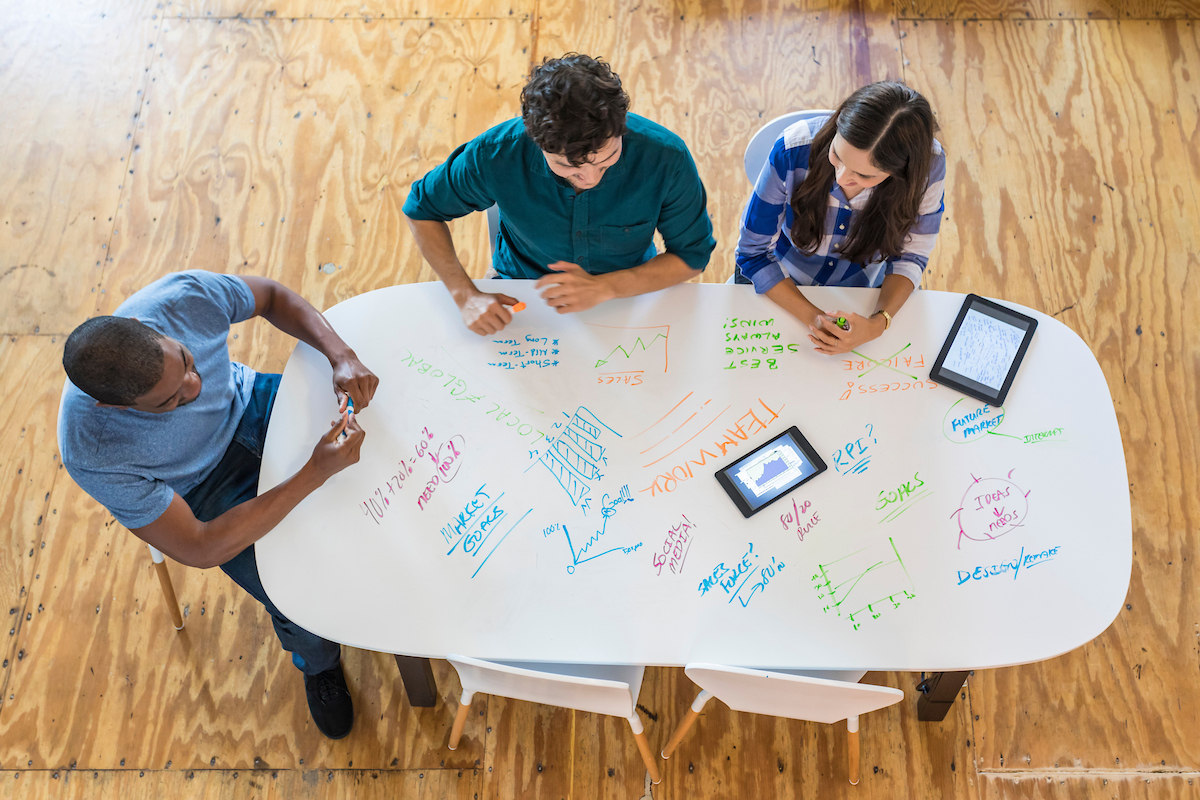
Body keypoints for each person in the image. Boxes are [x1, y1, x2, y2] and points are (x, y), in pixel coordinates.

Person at [59, 270, 379, 740]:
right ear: (112, 408)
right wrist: (314, 473)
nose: (195, 386)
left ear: (159, 329)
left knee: (384, 463)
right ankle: (319, 662)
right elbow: (202, 546)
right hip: (203, 488)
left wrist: (341, 354)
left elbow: (271, 295)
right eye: (170, 400)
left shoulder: (181, 298)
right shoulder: (90, 449)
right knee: (288, 589)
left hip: (254, 402)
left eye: (187, 361)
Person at [403, 53, 717, 336]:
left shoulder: (666, 157)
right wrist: (464, 294)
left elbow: (691, 256)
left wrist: (604, 287)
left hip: (631, 288)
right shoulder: (494, 155)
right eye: (569, 168)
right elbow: (421, 210)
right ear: (536, 141)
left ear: (621, 128)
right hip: (522, 290)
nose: (590, 179)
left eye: (606, 162)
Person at [735, 81, 945, 355]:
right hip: (779, 279)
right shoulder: (792, 149)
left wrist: (878, 324)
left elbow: (911, 257)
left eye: (865, 176)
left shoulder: (928, 168)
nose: (842, 177)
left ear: (901, 172)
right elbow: (753, 253)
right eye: (837, 155)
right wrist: (814, 318)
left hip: (859, 289)